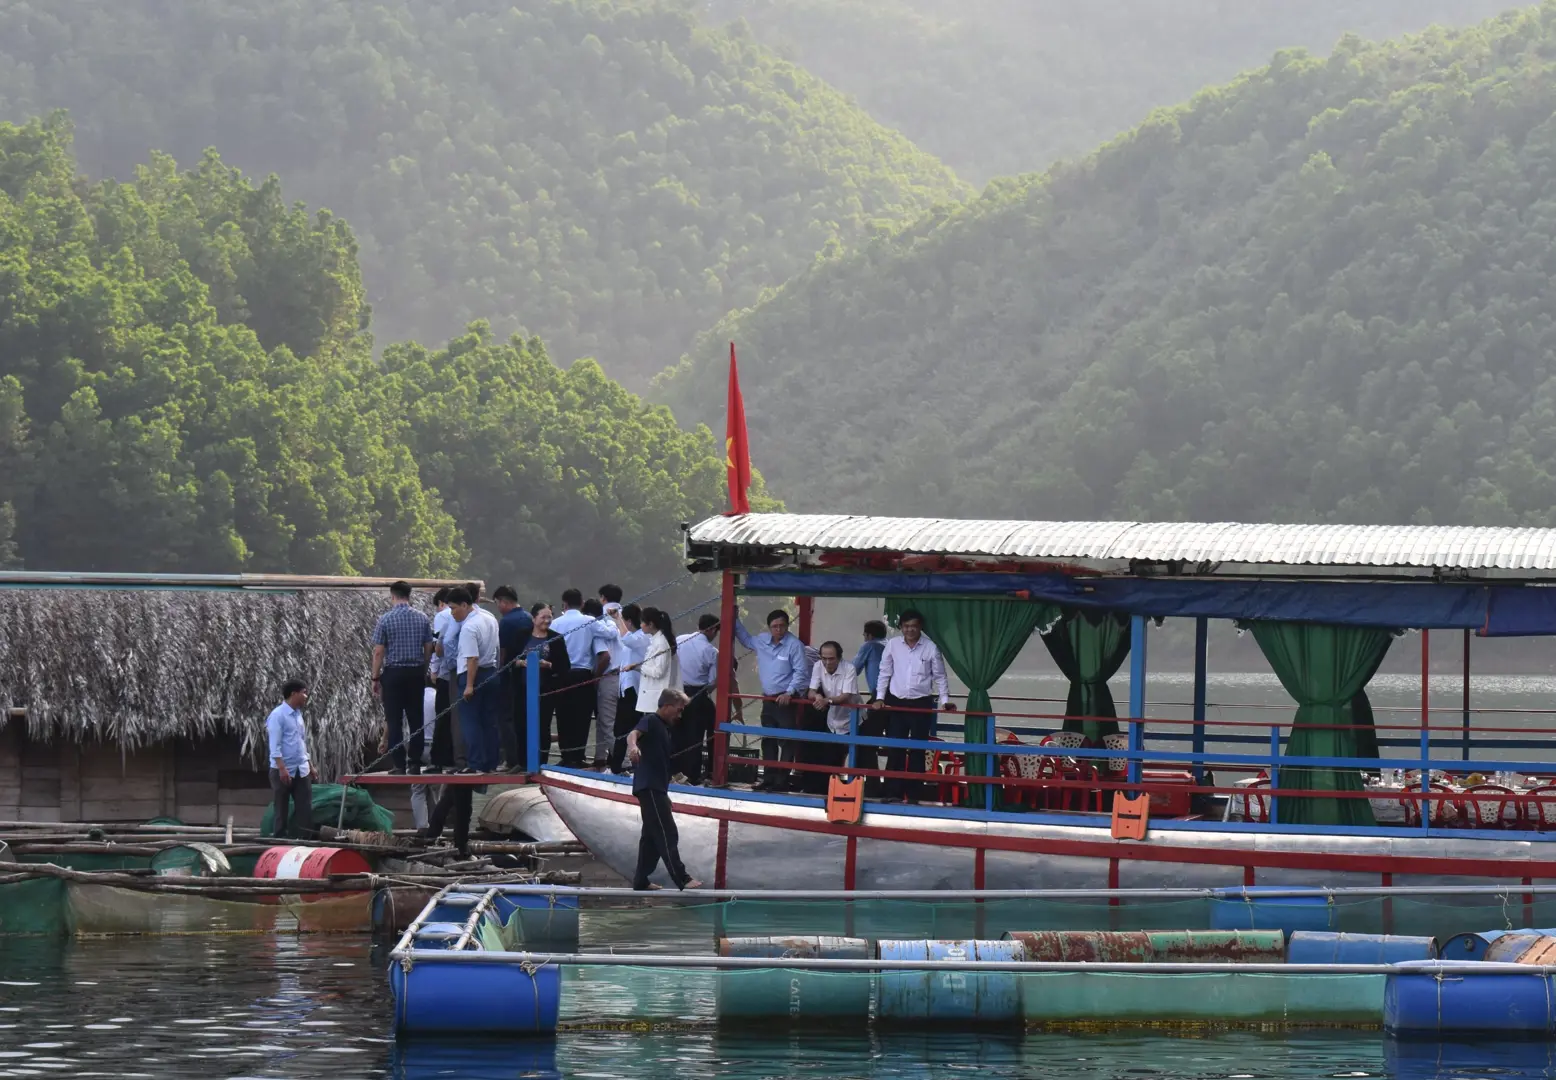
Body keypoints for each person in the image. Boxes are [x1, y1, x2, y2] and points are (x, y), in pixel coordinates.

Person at [870, 609, 956, 803]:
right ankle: (893, 793)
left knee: (918, 749)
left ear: (920, 628)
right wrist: (879, 698)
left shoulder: (931, 647)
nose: (910, 630)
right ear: (901, 627)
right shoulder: (892, 645)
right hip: (896, 703)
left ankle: (915, 795)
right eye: (906, 626)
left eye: (914, 626)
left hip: (921, 704)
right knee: (895, 748)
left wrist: (944, 701)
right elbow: (884, 673)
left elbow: (940, 676)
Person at [626, 689, 702, 891]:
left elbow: (660, 764)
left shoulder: (665, 729)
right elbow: (633, 734)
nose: (680, 715)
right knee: (667, 833)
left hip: (656, 788)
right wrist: (633, 748)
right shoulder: (651, 721)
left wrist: (665, 794)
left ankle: (640, 880)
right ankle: (682, 879)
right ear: (667, 706)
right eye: (678, 710)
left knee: (650, 836)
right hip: (648, 787)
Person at [733, 609, 809, 791]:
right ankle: (769, 778)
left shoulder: (794, 645)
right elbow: (745, 639)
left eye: (782, 626)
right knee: (768, 740)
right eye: (775, 626)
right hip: (768, 699)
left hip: (787, 700)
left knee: (787, 740)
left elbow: (801, 672)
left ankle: (781, 781)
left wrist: (789, 693)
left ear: (787, 626)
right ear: (769, 628)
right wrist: (734, 619)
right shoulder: (762, 641)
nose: (779, 630)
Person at [370, 580, 434, 775]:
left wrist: (375, 677)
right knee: (416, 718)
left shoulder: (386, 619)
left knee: (394, 718)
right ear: (409, 595)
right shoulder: (422, 618)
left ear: (393, 596)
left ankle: (399, 764)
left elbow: (379, 652)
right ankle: (414, 762)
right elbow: (429, 647)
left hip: (394, 673)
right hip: (415, 672)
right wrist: (422, 667)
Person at [453, 587, 502, 774]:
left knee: (470, 721)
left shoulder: (469, 627)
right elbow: (496, 647)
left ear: (465, 605)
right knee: (489, 721)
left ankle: (475, 764)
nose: (452, 612)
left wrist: (469, 685)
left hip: (472, 675)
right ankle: (491, 762)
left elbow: (472, 658)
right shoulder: (490, 618)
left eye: (453, 608)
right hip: (491, 671)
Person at [550, 589, 599, 768]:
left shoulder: (555, 623)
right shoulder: (590, 621)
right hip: (583, 674)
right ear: (582, 603)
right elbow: (610, 633)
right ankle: (579, 755)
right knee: (582, 716)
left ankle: (566, 755)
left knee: (563, 715)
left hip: (561, 674)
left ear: (564, 604)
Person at [519, 603, 570, 766]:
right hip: (523, 688)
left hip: (546, 689)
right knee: (522, 724)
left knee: (543, 726)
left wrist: (548, 665)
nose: (547, 620)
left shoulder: (556, 638)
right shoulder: (522, 636)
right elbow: (510, 660)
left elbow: (565, 666)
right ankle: (522, 761)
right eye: (543, 617)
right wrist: (522, 663)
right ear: (534, 619)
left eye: (550, 617)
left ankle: (541, 762)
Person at [675, 613, 719, 785]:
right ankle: (694, 774)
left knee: (678, 733)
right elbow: (713, 682)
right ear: (713, 629)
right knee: (696, 736)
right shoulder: (711, 651)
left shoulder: (680, 639)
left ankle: (675, 770)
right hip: (697, 693)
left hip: (677, 691)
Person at [266, 679, 313, 837]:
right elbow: (275, 746)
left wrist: (310, 765)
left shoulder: (298, 715)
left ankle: (305, 839)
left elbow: (301, 742)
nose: (306, 696)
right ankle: (279, 839)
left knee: (305, 807)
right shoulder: (278, 715)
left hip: (301, 768)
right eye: (304, 692)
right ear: (294, 694)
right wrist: (282, 769)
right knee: (281, 806)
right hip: (283, 769)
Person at [494, 585, 534, 772]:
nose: (498, 607)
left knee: (506, 718)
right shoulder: (528, 618)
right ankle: (527, 758)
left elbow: (502, 652)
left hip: (509, 674)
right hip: (528, 674)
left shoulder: (506, 622)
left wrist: (498, 670)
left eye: (498, 603)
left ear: (504, 601)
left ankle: (511, 759)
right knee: (525, 716)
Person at [810, 641, 861, 778]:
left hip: (854, 719)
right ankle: (830, 789)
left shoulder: (849, 668)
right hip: (832, 720)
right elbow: (811, 691)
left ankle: (853, 790)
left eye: (831, 658)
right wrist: (817, 696)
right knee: (830, 758)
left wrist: (827, 700)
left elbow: (845, 696)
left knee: (857, 759)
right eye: (824, 658)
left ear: (839, 657)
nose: (827, 662)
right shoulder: (817, 666)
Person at [609, 603, 650, 773]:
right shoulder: (634, 637)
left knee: (628, 729)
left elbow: (627, 640)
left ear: (629, 621)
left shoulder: (642, 637)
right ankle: (620, 766)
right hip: (626, 688)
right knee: (622, 729)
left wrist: (617, 618)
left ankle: (618, 767)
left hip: (636, 690)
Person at [852, 619, 889, 786]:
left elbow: (853, 670)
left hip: (879, 698)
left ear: (868, 635)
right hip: (896, 697)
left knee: (862, 738)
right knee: (893, 741)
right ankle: (887, 783)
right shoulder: (890, 645)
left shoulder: (869, 646)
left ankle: (869, 783)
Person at [593, 585, 626, 769]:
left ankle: (625, 763)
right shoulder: (626, 616)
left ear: (603, 598)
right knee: (617, 721)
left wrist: (595, 677)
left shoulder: (600, 617)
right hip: (627, 677)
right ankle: (600, 757)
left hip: (609, 675)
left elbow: (605, 656)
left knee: (606, 722)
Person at [636, 608, 681, 732]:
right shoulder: (656, 641)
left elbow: (659, 671)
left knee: (654, 734)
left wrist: (639, 667)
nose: (640, 625)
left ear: (650, 624)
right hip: (653, 696)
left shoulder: (661, 643)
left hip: (656, 698)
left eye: (642, 622)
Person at [427, 586, 457, 774]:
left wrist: (433, 669)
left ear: (441, 602)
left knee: (442, 716)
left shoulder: (442, 615)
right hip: (459, 671)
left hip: (445, 673)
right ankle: (455, 757)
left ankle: (438, 759)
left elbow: (438, 645)